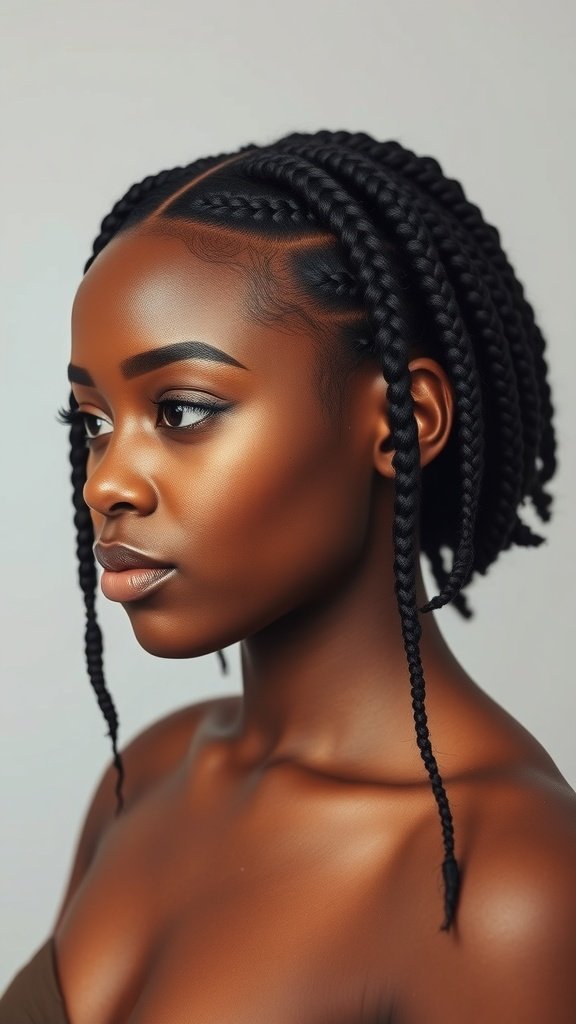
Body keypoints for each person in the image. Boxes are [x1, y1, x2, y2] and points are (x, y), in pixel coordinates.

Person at [2, 129, 575, 1023]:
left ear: (401, 422)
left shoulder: (505, 881)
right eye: (92, 422)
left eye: (182, 409)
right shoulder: (148, 776)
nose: (105, 480)